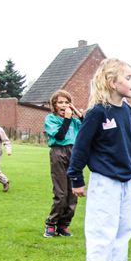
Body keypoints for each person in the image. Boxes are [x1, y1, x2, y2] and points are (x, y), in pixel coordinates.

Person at [67, 58, 131, 261]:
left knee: (123, 233)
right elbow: (81, 147)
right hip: (104, 182)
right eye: (128, 78)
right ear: (113, 82)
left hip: (127, 181)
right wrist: (76, 177)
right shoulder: (97, 112)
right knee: (102, 234)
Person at [43, 90, 82, 237]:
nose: (63, 105)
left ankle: (64, 225)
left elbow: (87, 125)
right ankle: (51, 223)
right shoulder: (51, 119)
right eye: (60, 102)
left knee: (73, 192)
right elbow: (59, 136)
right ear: (54, 104)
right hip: (59, 152)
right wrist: (66, 119)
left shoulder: (74, 121)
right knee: (61, 192)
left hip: (75, 153)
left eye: (66, 102)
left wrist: (76, 113)